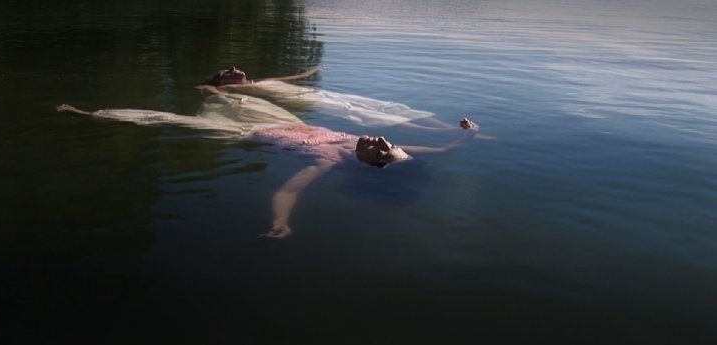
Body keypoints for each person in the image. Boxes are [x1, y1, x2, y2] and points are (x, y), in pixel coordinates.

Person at [56, 94, 478, 239]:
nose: (384, 141)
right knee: (232, 94)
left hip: (245, 136)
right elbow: (438, 153)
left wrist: (281, 222)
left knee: (166, 119)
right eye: (392, 144)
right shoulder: (355, 143)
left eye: (383, 151)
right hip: (282, 121)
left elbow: (289, 191)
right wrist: (467, 134)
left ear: (369, 165)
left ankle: (88, 114)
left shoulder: (329, 159)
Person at [197, 66, 461, 130]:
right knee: (360, 113)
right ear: (224, 82)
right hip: (307, 102)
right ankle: (436, 133)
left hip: (317, 92)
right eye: (226, 72)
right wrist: (208, 88)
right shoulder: (234, 90)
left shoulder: (262, 81)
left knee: (385, 105)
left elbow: (293, 78)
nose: (232, 68)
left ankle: (445, 127)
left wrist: (311, 71)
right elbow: (210, 90)